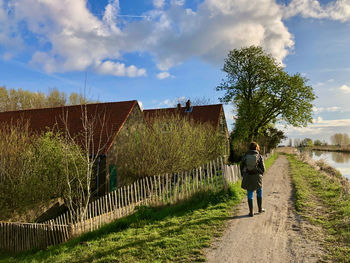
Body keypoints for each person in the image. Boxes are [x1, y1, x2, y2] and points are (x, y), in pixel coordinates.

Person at [240, 142, 265, 217]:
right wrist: (260, 174)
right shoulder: (259, 156)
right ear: (256, 148)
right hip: (257, 176)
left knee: (250, 194)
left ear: (249, 148)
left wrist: (243, 174)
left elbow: (241, 166)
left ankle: (251, 212)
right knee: (259, 192)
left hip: (248, 176)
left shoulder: (245, 156)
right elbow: (263, 168)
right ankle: (260, 209)